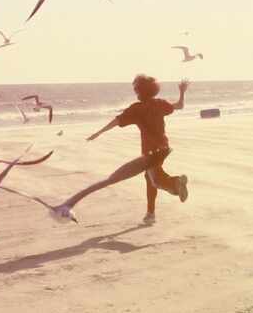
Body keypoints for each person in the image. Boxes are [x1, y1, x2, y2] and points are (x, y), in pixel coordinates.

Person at [53, 75, 189, 224]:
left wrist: (99, 132)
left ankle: (175, 183)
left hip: (150, 153)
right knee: (150, 178)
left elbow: (117, 121)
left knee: (153, 181)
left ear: (139, 91)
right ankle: (151, 214)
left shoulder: (137, 109)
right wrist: (182, 91)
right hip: (164, 148)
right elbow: (179, 105)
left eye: (136, 88)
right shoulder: (160, 104)